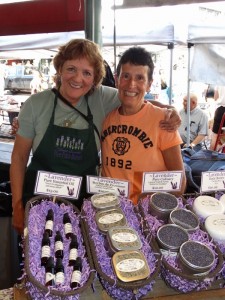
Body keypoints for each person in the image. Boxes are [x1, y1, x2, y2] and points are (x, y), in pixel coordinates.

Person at [10, 39, 181, 236]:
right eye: (71, 69)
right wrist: (17, 206)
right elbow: (19, 158)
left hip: (82, 206)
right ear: (60, 69)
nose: (78, 78)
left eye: (87, 73)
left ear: (94, 78)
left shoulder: (100, 98)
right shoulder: (35, 104)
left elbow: (134, 94)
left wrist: (169, 110)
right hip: (37, 200)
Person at [101, 46, 186, 205]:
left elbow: (179, 183)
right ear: (117, 79)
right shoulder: (107, 120)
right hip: (110, 210)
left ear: (149, 85)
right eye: (126, 76)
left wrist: (147, 198)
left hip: (146, 215)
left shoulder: (163, 121)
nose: (131, 84)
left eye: (140, 78)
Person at [210, 85, 225, 150]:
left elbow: (215, 97)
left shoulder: (219, 79)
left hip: (221, 110)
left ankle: (211, 157)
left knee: (215, 137)